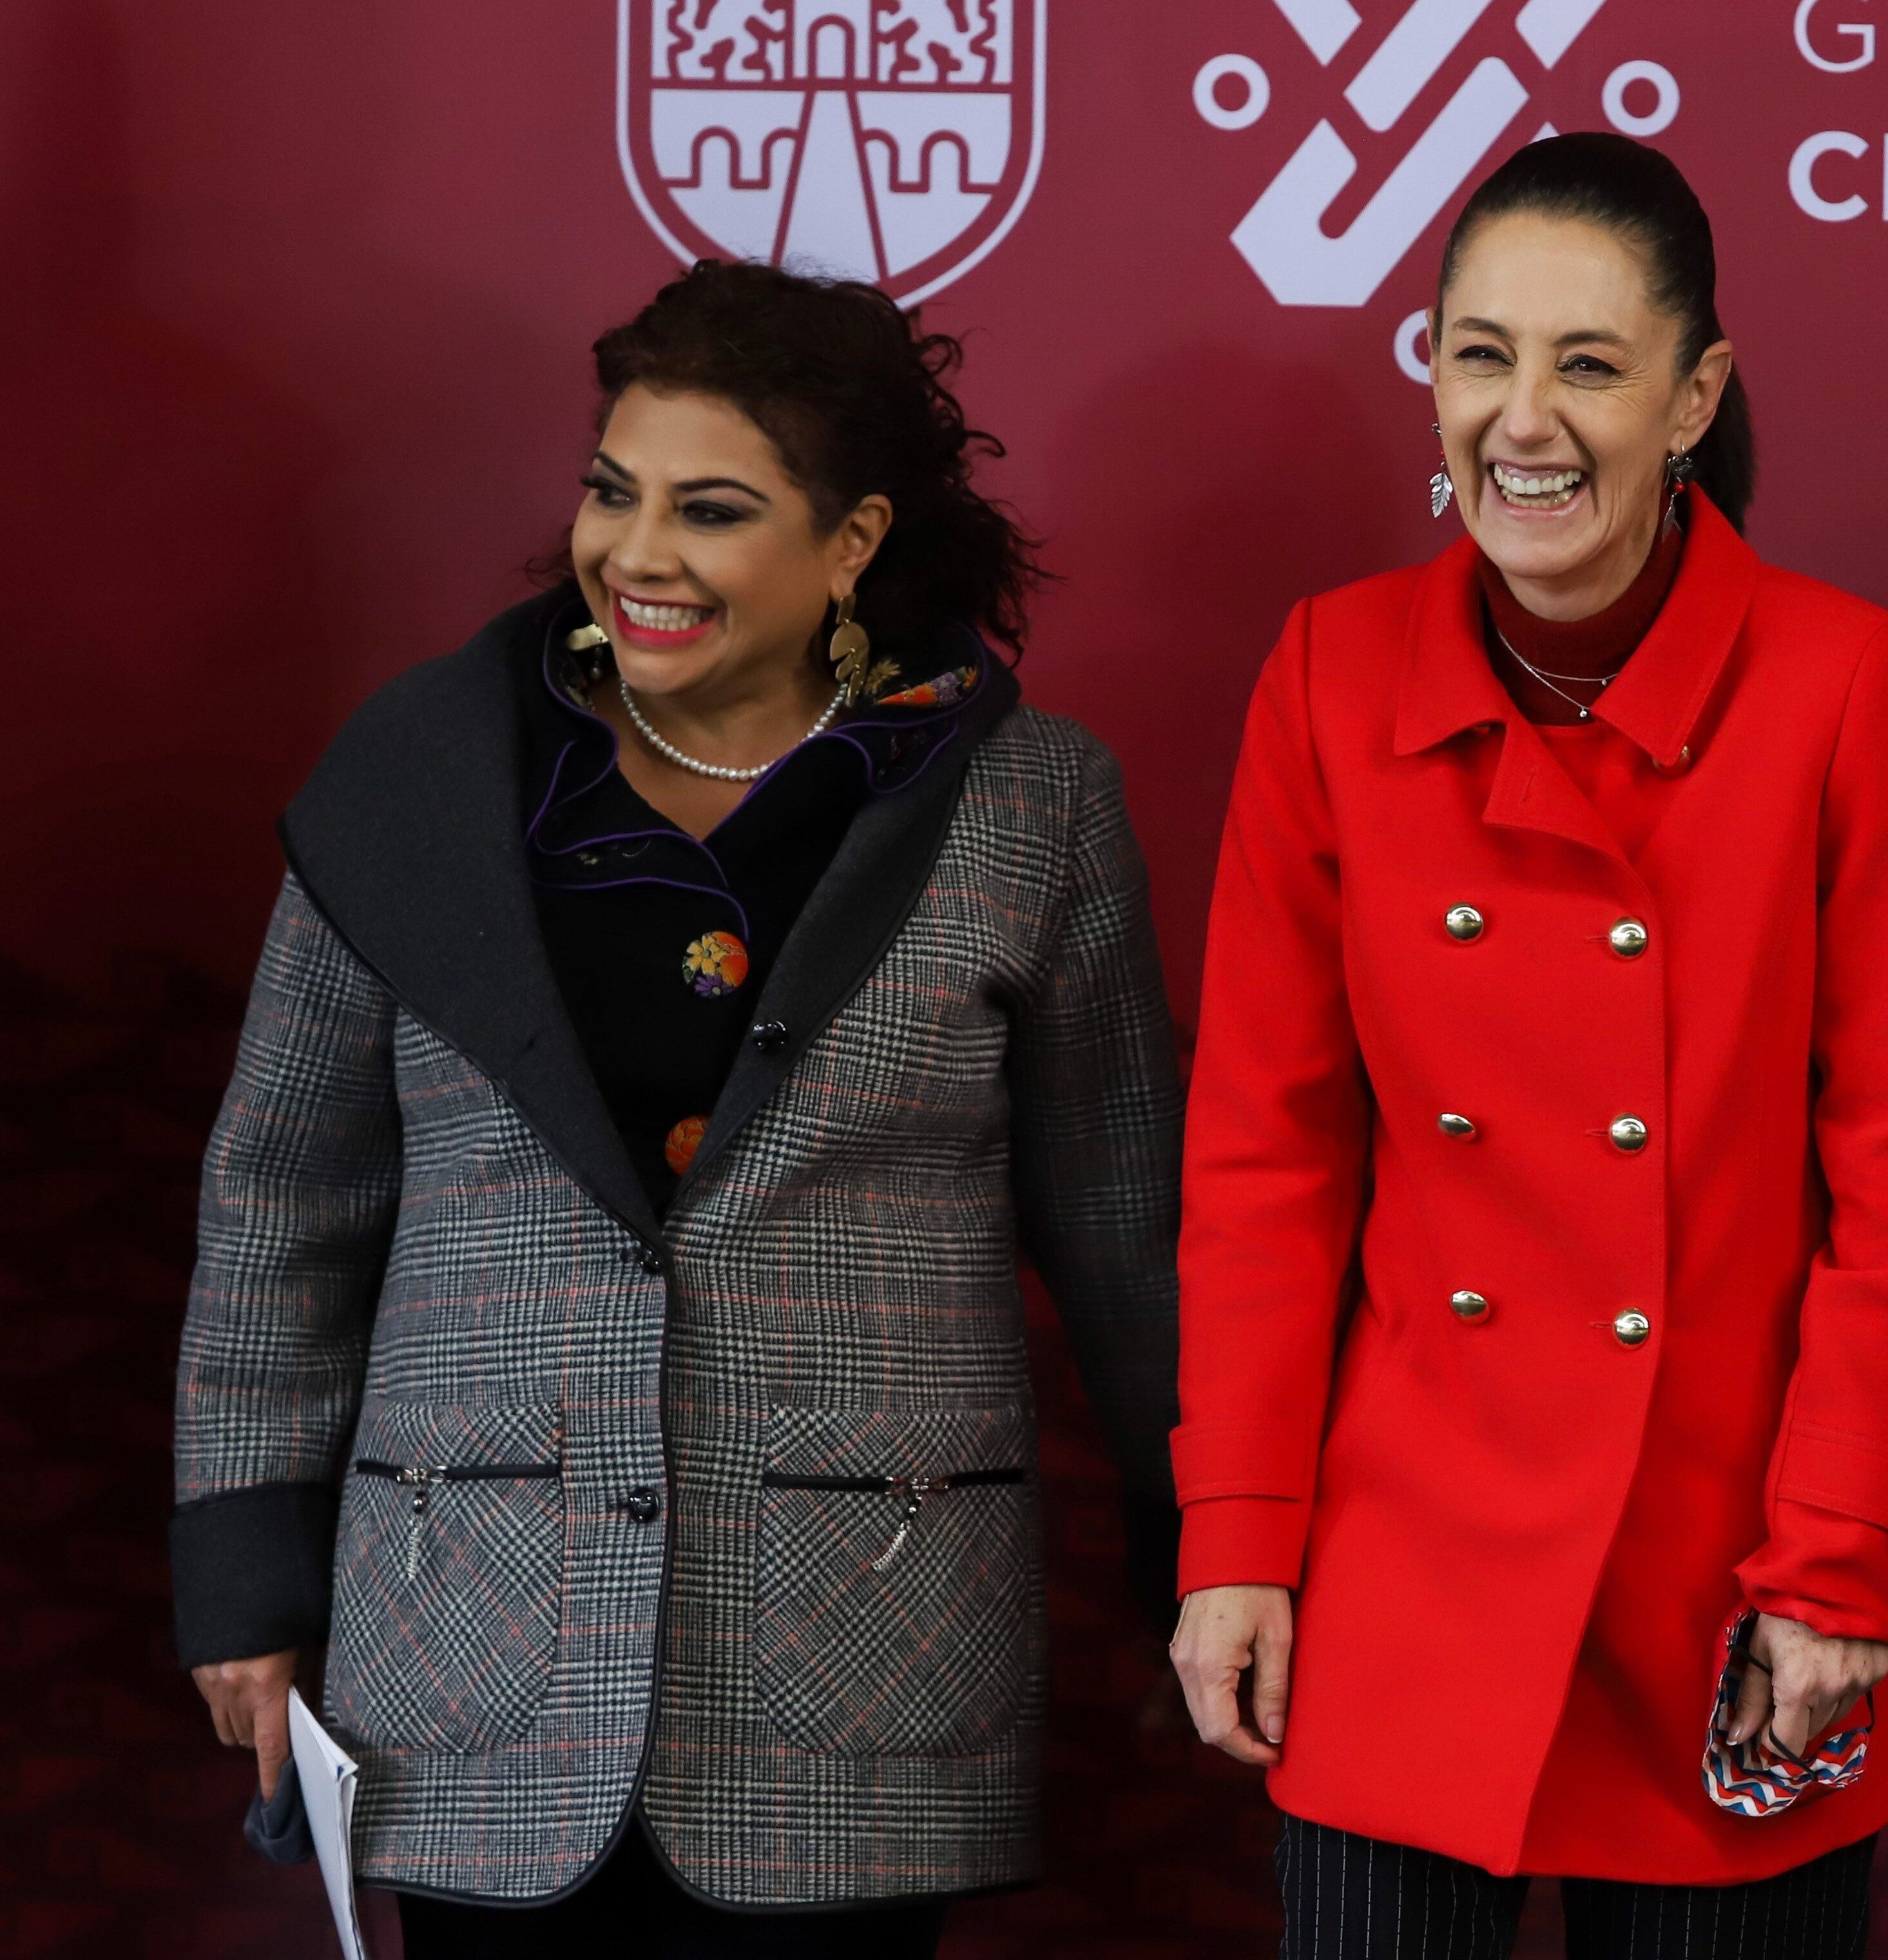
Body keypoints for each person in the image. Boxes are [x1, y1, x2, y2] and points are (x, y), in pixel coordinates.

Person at [171, 260, 1185, 1956]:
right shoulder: (425, 777)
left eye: (711, 511)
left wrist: (1208, 1552)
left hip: (860, 1669)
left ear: (853, 542)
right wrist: (249, 1572)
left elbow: (1128, 1226)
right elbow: (282, 1197)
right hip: (467, 1647)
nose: (637, 554)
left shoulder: (1026, 804)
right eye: (611, 491)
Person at [1167, 133, 1888, 1955]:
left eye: (1588, 365)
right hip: (1403, 1564)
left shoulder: (1849, 684)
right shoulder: (1327, 668)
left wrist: (1839, 1549)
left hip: (1729, 1570)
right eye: (1479, 354)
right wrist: (1236, 1530)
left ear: (1696, 397)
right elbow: (1263, 1161)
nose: (1520, 420)